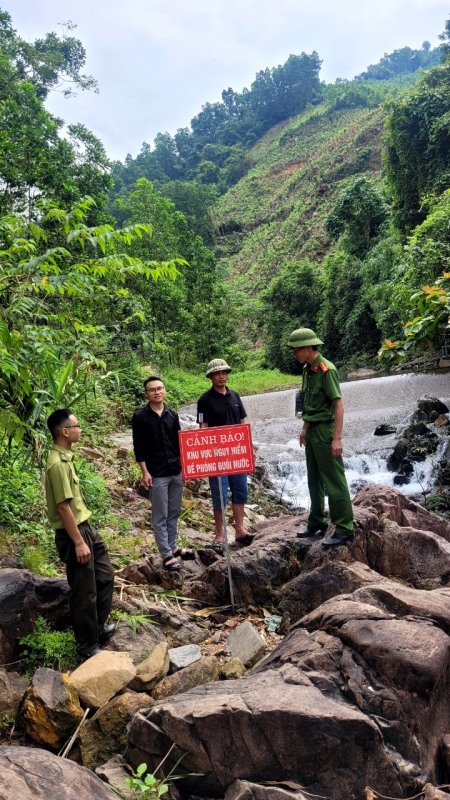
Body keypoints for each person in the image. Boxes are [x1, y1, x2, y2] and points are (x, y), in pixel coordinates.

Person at [45, 409, 116, 661]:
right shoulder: (56, 464)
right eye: (76, 426)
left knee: (105, 577)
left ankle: (96, 628)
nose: (79, 429)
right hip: (73, 532)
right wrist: (78, 542)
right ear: (65, 431)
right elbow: (63, 507)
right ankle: (86, 645)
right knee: (84, 590)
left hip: (86, 526)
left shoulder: (66, 457)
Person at [287, 328, 354, 548]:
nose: (294, 353)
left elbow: (338, 405)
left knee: (334, 481)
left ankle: (344, 529)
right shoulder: (308, 370)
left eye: (297, 349)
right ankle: (316, 522)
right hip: (313, 429)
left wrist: (338, 438)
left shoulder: (327, 370)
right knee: (314, 479)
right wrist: (305, 427)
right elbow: (309, 403)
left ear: (309, 347)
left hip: (326, 431)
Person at [132, 376, 193, 571]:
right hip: (156, 472)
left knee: (174, 511)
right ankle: (166, 554)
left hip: (175, 469)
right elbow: (138, 446)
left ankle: (173, 547)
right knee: (160, 514)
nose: (157, 392)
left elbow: (179, 442)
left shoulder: (172, 414)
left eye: (160, 388)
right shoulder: (140, 416)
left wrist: (185, 467)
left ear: (164, 390)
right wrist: (144, 471)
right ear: (146, 393)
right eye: (152, 390)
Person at [197, 358, 254, 553]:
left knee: (240, 491)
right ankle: (220, 534)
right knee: (219, 494)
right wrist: (206, 454)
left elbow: (243, 422)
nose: (221, 376)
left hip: (237, 454)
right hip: (217, 455)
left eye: (224, 372)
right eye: (217, 373)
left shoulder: (235, 396)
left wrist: (248, 447)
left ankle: (240, 529)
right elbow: (203, 428)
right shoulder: (204, 400)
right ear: (211, 376)